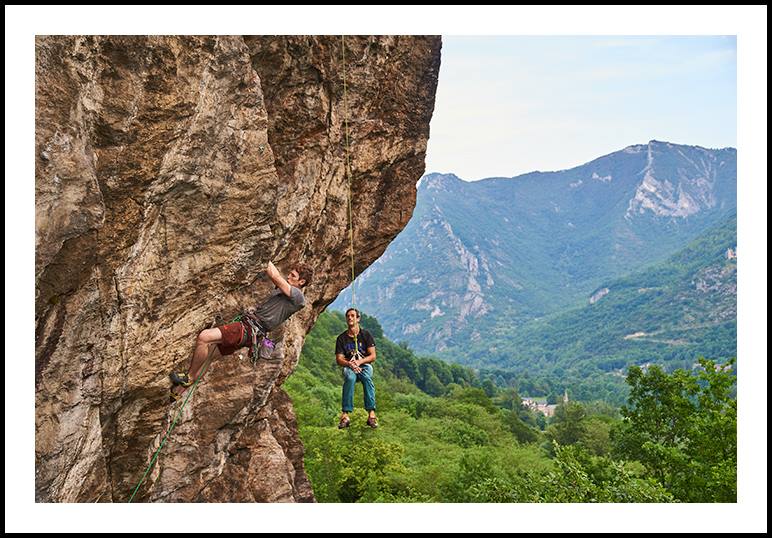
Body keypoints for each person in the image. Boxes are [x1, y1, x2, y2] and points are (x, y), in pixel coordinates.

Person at [169, 261, 312, 401]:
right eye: (290, 274)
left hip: (248, 328)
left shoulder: (298, 297)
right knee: (209, 355)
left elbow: (275, 276)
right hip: (251, 331)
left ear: (302, 282)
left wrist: (265, 258)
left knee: (204, 337)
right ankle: (179, 392)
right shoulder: (285, 293)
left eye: (293, 276)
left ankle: (189, 377)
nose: (289, 276)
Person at [335, 308, 378, 429]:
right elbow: (339, 359)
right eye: (348, 316)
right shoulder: (341, 338)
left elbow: (372, 356)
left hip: (364, 364)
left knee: (366, 377)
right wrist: (350, 364)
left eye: (353, 316)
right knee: (350, 378)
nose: (350, 318)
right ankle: (345, 414)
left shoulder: (366, 335)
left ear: (358, 318)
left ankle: (371, 414)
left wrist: (359, 362)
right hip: (350, 365)